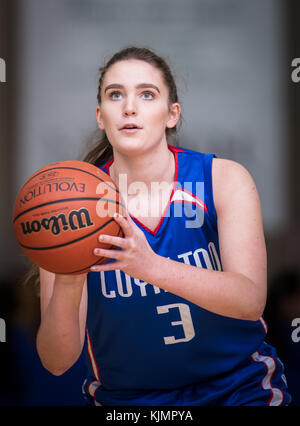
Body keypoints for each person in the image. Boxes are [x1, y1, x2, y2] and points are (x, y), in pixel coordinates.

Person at [35, 46, 291, 406]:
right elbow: (57, 362)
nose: (129, 107)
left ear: (172, 114)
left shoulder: (222, 179)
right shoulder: (67, 208)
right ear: (100, 115)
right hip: (129, 403)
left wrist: (150, 266)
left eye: (146, 94)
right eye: (115, 95)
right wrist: (69, 277)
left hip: (238, 390)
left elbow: (249, 301)